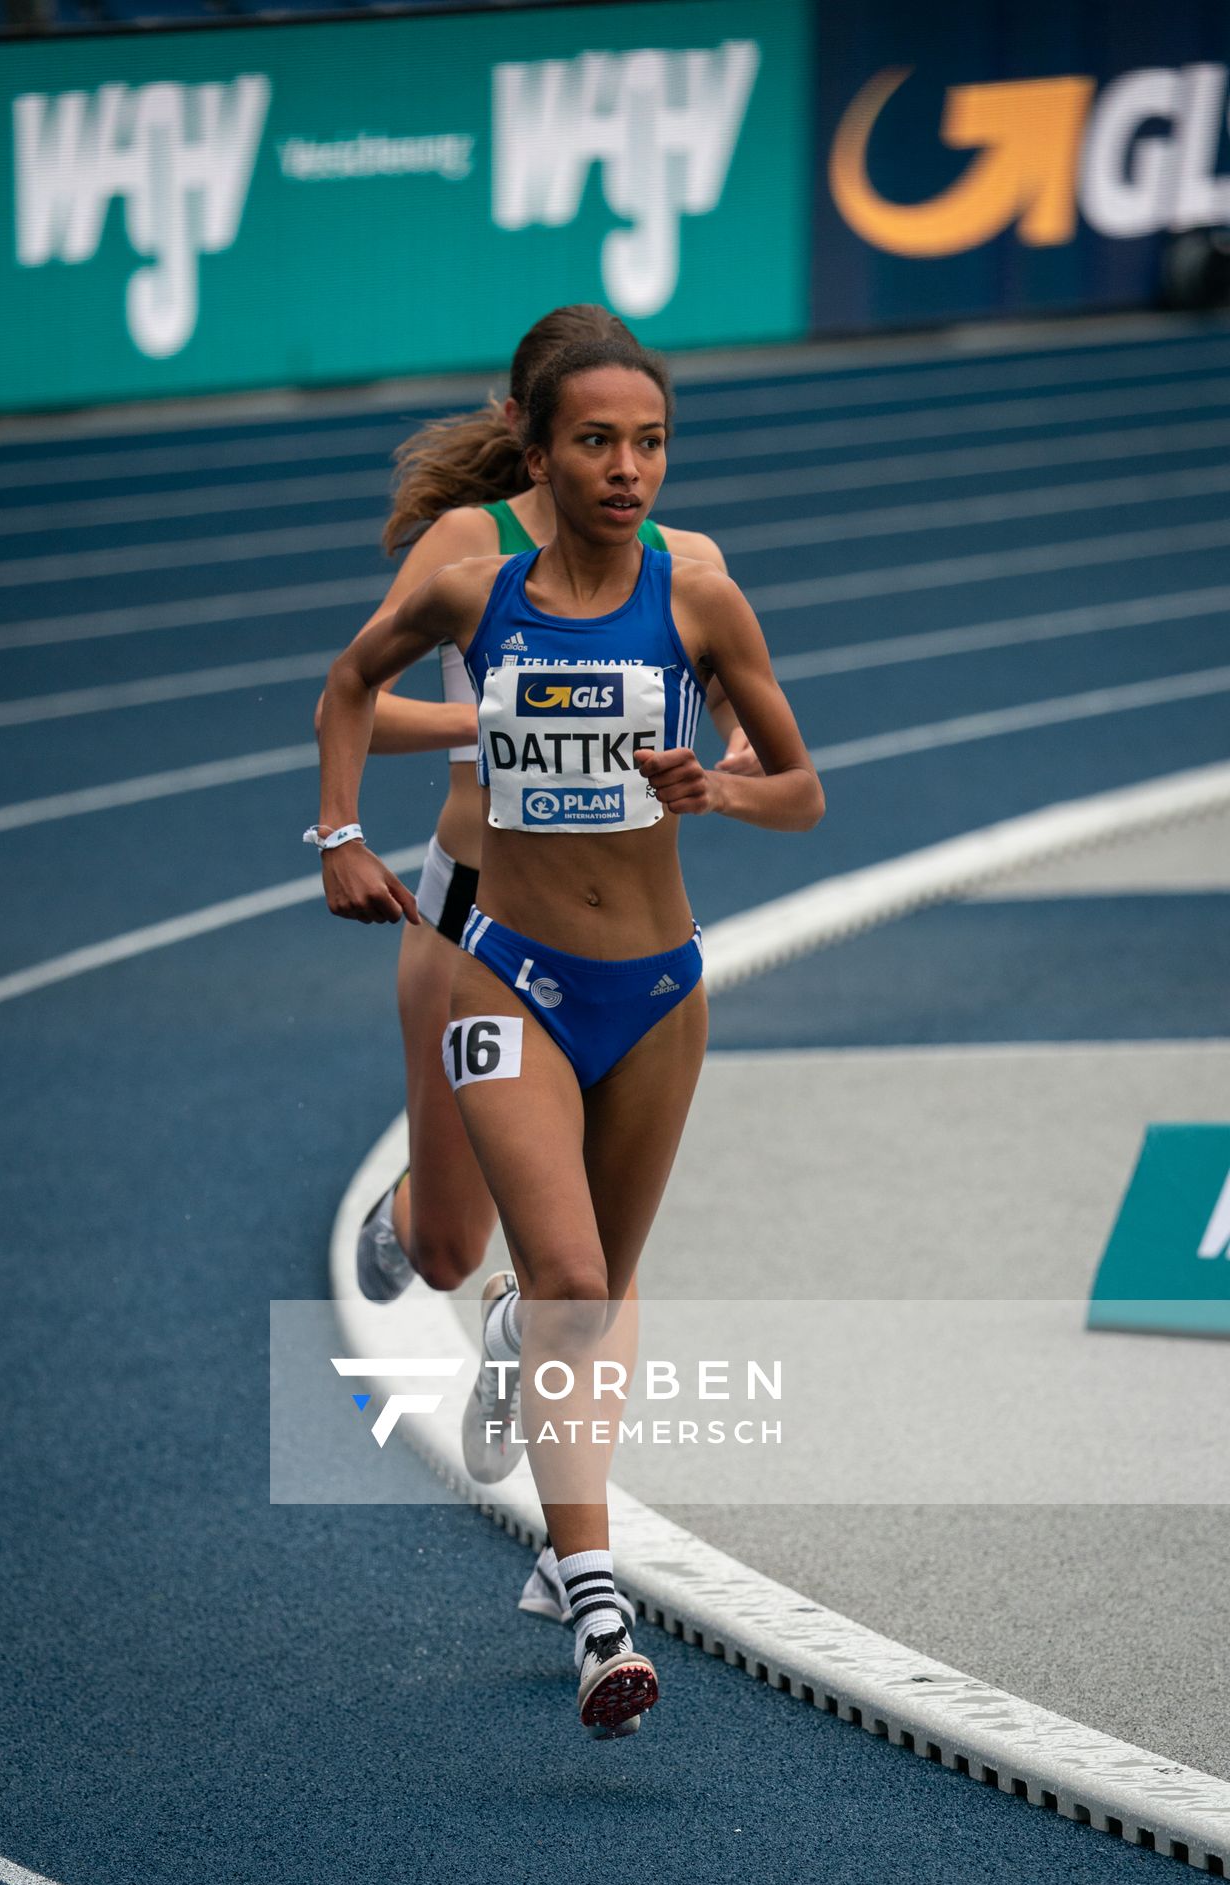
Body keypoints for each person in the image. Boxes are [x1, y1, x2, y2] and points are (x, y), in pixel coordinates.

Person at [313, 335, 824, 1734]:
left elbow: (793, 779)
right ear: (533, 438)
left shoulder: (692, 576)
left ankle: (582, 1567)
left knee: (584, 1279)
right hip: (475, 922)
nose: (626, 464)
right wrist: (465, 735)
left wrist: (705, 782)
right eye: (596, 437)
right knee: (450, 1245)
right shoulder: (470, 559)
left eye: (646, 438)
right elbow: (360, 685)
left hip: (645, 964)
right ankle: (445, 1231)